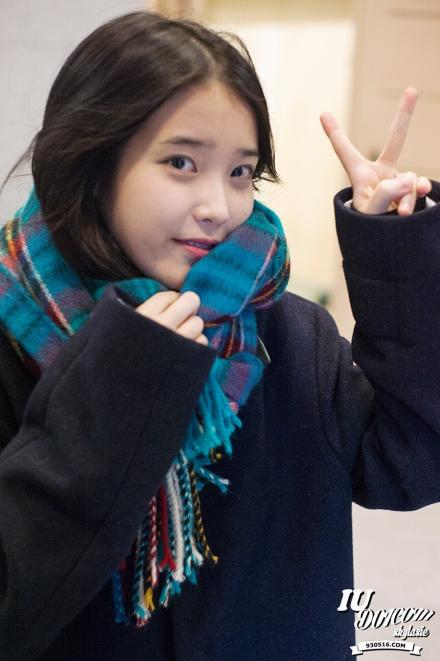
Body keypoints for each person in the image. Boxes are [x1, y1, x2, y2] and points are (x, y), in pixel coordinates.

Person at [0, 10, 438, 661]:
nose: (220, 207)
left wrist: (392, 252)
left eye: (241, 172)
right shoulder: (12, 338)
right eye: (181, 162)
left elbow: (409, 466)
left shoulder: (290, 333)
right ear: (91, 163)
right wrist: (113, 394)